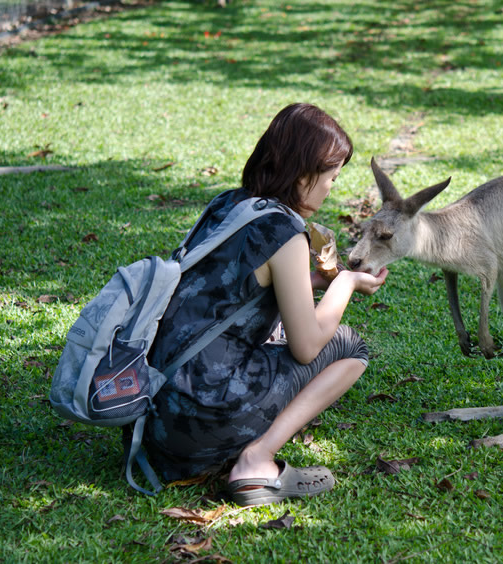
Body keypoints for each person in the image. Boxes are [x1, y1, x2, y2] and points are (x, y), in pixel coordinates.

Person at [143, 103, 388, 506]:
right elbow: (307, 346)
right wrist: (344, 282)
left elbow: (239, 291)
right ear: (305, 173)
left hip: (157, 415)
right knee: (349, 347)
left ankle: (233, 447)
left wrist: (312, 281)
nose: (331, 188)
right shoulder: (285, 232)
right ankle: (256, 462)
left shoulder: (229, 205)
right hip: (205, 416)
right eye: (331, 177)